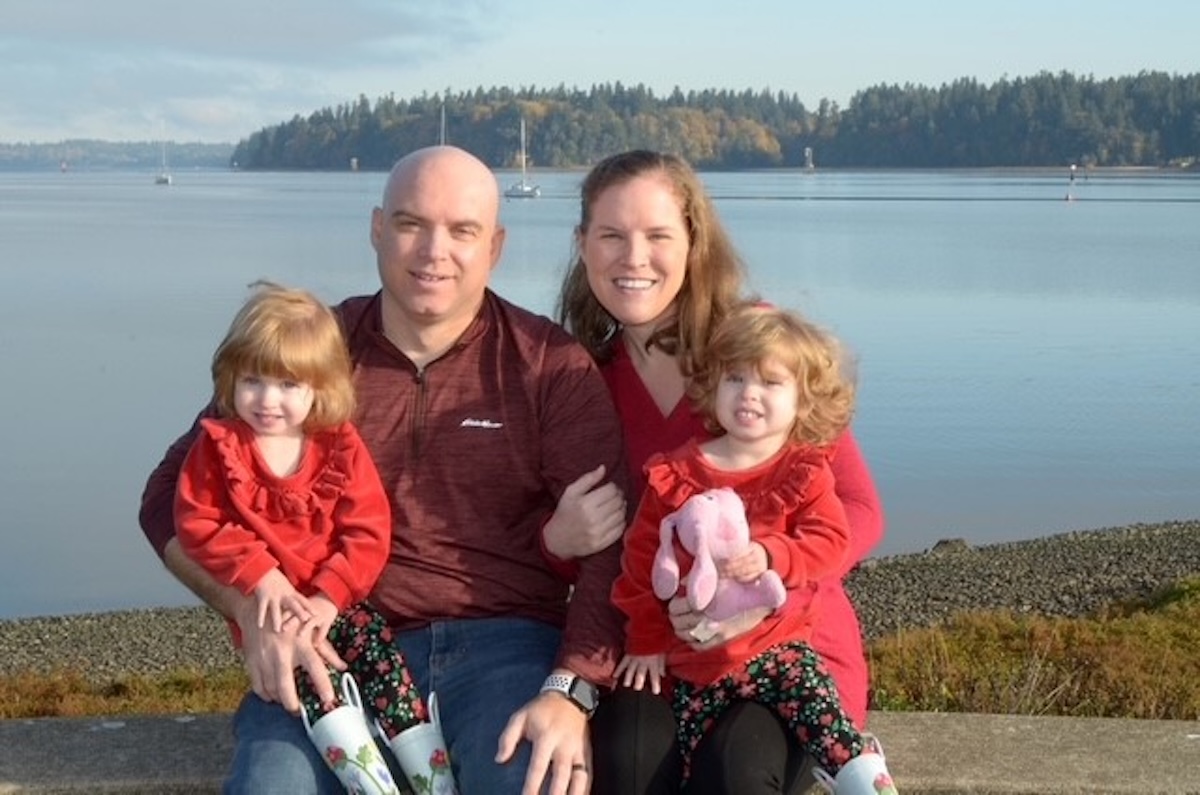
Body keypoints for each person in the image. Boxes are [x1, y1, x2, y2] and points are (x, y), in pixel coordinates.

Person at [139, 146, 631, 795]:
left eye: (462, 230)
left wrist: (572, 690)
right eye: (410, 223)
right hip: (333, 641)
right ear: (376, 228)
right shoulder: (309, 352)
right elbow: (165, 500)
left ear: (497, 244)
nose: (433, 251)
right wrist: (251, 606)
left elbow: (611, 548)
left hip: (506, 649)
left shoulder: (547, 365)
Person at [553, 149, 885, 794]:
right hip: (660, 653)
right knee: (623, 768)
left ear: (693, 242)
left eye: (657, 236)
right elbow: (605, 554)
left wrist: (769, 587)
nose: (634, 258)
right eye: (612, 236)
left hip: (787, 646)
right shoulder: (581, 379)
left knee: (733, 774)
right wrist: (556, 541)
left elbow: (859, 510)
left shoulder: (759, 352)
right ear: (583, 244)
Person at [173, 281, 455, 795]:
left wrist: (329, 597)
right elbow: (196, 520)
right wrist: (262, 577)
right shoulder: (219, 447)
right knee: (313, 687)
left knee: (384, 666)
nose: (267, 400)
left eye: (288, 385)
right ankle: (369, 781)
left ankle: (428, 771)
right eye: (253, 380)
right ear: (231, 378)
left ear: (318, 389)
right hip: (273, 613)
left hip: (338, 601)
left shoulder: (338, 447)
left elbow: (368, 531)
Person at [610, 303, 897, 795]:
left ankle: (855, 768)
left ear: (802, 401)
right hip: (695, 665)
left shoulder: (804, 471)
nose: (750, 394)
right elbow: (640, 563)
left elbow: (832, 539)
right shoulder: (675, 473)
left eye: (770, 383)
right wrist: (647, 638)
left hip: (780, 649)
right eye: (736, 379)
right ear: (713, 387)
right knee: (671, 760)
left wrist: (775, 557)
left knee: (810, 699)